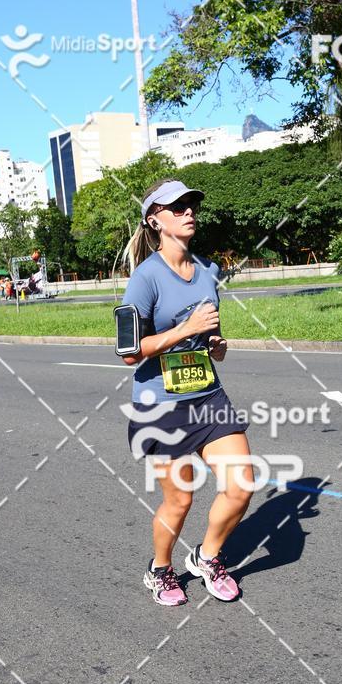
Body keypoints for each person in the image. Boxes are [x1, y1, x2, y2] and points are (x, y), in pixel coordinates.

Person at [120, 178, 254, 607]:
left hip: (207, 396)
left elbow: (210, 337)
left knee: (242, 485)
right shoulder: (145, 279)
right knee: (180, 500)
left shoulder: (209, 271)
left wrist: (214, 346)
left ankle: (206, 557)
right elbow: (128, 352)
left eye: (191, 204)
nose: (188, 212)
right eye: (176, 207)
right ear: (154, 220)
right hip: (161, 404)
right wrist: (184, 331)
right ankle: (160, 569)